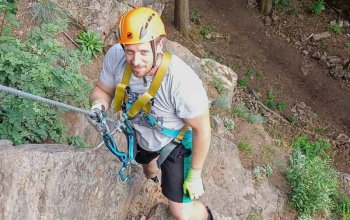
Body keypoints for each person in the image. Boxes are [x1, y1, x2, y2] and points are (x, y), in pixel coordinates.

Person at [89, 7, 212, 220]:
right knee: (148, 170)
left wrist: (195, 174)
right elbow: (103, 90)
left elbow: (202, 128)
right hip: (140, 131)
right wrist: (98, 105)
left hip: (176, 142)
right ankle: (153, 173)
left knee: (181, 212)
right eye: (130, 51)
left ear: (159, 45)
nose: (136, 61)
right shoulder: (116, 56)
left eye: (144, 52)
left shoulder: (181, 81)